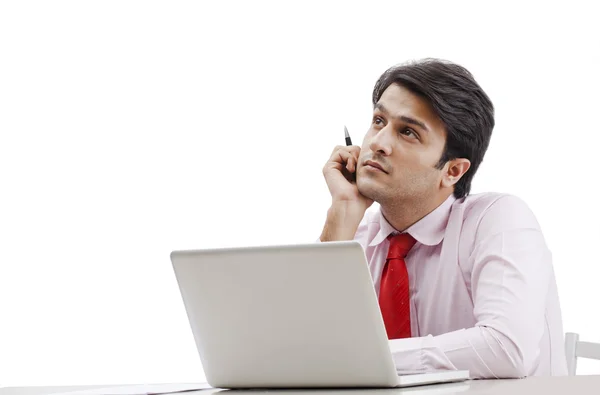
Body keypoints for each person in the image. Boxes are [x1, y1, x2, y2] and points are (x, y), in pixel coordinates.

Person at [319, 58, 567, 379]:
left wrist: (366, 356)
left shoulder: (499, 219)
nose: (378, 143)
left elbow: (507, 349)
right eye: (379, 121)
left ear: (452, 171)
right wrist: (341, 212)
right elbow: (299, 348)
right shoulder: (357, 238)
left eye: (407, 132)